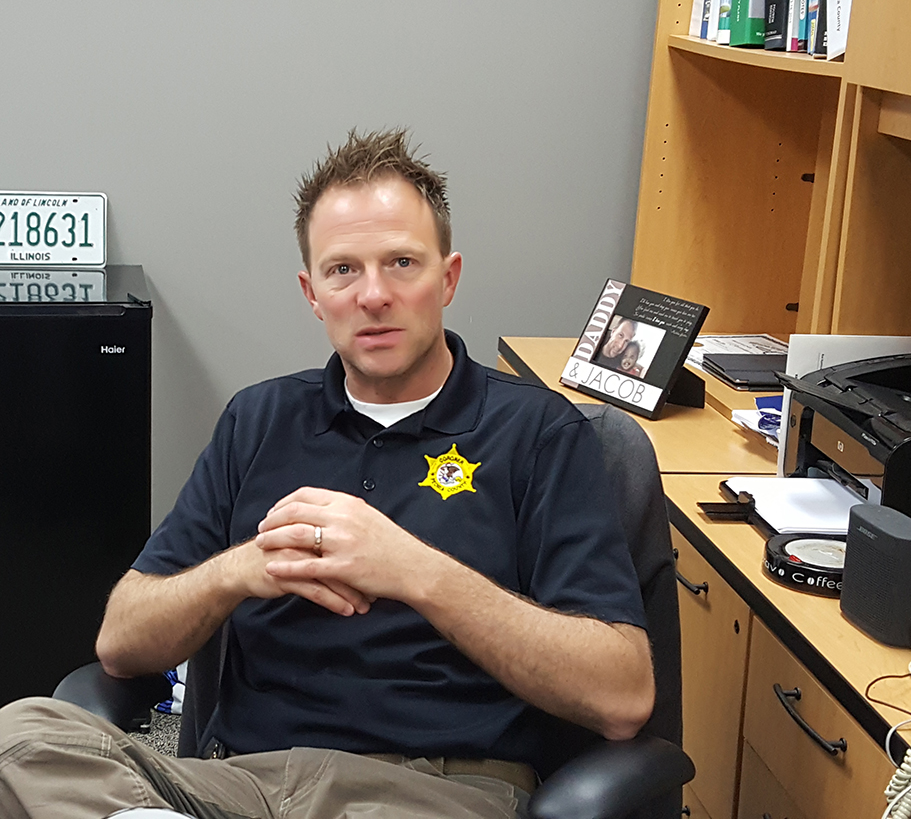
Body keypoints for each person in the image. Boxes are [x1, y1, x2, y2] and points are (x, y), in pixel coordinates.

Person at [0, 129, 654, 819]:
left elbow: (622, 695)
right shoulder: (259, 420)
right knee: (21, 739)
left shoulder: (539, 433)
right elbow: (120, 643)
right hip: (247, 783)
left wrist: (412, 569)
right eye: (343, 270)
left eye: (402, 262)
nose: (373, 295)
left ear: (448, 278)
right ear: (313, 293)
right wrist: (240, 569)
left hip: (434, 790)